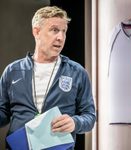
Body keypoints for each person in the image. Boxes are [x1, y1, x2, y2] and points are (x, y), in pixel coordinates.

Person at [0, 6, 96, 149]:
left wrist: (75, 122)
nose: (61, 37)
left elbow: (90, 116)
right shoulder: (13, 70)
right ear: (36, 32)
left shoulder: (77, 72)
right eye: (55, 30)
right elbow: (3, 112)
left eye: (64, 32)